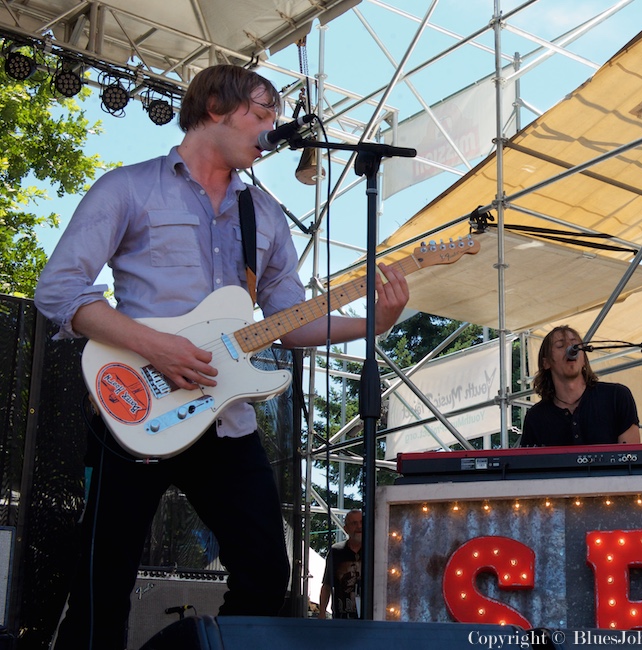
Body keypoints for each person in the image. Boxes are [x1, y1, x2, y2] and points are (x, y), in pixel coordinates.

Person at [34, 64, 409, 649]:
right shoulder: (128, 187)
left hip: (225, 420)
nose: (269, 132)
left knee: (266, 572)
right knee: (101, 580)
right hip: (135, 406)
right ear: (215, 105)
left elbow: (290, 323)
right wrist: (153, 345)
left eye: (274, 122)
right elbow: (59, 290)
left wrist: (373, 323)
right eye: (259, 116)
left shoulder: (264, 213)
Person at [520, 325, 640, 447]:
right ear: (546, 363)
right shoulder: (536, 417)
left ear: (583, 359)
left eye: (575, 345)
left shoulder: (617, 397)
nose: (570, 348)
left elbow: (632, 458)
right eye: (560, 345)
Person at [318, 509, 363, 619]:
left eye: (362, 522)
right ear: (346, 529)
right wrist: (322, 613)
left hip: (369, 617)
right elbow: (327, 585)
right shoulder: (336, 551)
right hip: (342, 616)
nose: (359, 526)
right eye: (354, 523)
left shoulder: (373, 551)